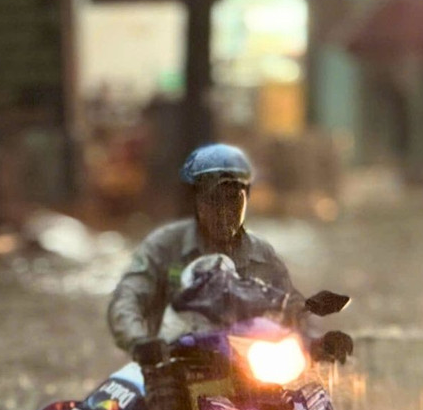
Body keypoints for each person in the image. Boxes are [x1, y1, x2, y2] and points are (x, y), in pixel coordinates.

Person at [107, 143, 304, 354]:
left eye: (232, 199)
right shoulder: (165, 246)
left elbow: (291, 308)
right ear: (195, 200)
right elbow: (129, 296)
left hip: (247, 368)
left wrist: (318, 342)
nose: (224, 211)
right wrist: (138, 340)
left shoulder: (262, 255)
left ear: (246, 197)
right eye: (213, 199)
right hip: (172, 364)